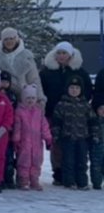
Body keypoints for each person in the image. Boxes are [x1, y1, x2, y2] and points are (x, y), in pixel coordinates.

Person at [40, 41, 92, 185]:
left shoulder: (79, 72)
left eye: (64, 53)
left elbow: (87, 90)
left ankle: (73, 171)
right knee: (56, 144)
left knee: (74, 144)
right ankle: (58, 171)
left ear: (70, 55)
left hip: (75, 114)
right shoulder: (47, 72)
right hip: (53, 112)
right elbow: (41, 90)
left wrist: (80, 104)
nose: (61, 56)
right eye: (59, 53)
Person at [51, 75, 99, 190]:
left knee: (82, 160)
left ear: (81, 90)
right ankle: (69, 181)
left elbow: (92, 121)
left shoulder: (85, 105)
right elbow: (56, 121)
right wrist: (56, 135)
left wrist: (95, 134)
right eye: (71, 88)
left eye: (77, 88)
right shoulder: (61, 105)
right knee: (68, 160)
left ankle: (82, 182)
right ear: (67, 89)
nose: (74, 90)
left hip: (82, 138)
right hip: (67, 137)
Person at [0, 27, 45, 103]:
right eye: (6, 39)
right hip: (1, 96)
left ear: (16, 39)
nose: (9, 41)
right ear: (2, 41)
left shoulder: (27, 55)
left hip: (25, 98)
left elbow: (34, 79)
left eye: (11, 38)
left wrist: (40, 99)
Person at [12, 85, 52, 191]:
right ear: (23, 99)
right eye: (28, 98)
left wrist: (47, 138)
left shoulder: (39, 112)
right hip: (24, 142)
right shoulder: (19, 111)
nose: (30, 100)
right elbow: (17, 126)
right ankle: (23, 179)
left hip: (37, 142)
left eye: (33, 98)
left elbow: (44, 126)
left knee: (36, 161)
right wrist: (16, 139)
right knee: (24, 161)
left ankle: (34, 179)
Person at [89, 97, 104, 190]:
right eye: (101, 109)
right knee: (96, 165)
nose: (103, 111)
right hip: (96, 147)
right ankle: (96, 183)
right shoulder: (94, 120)